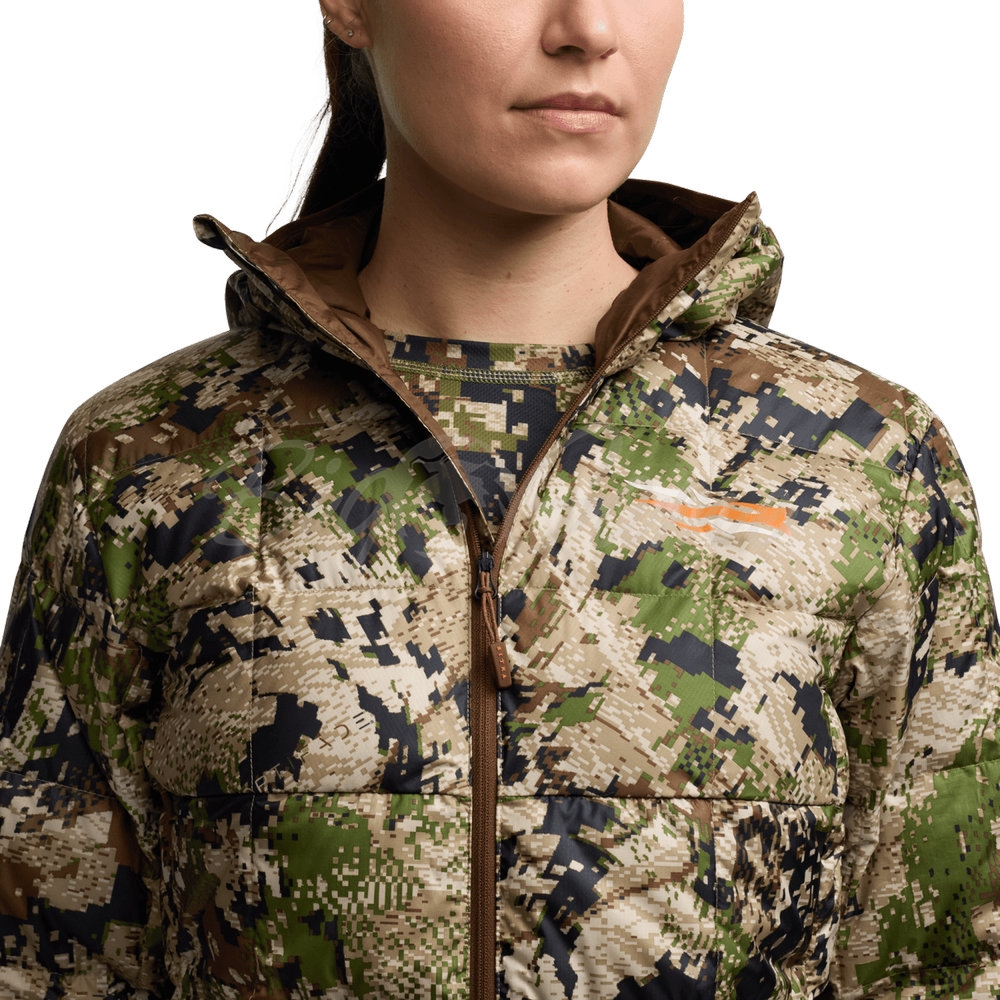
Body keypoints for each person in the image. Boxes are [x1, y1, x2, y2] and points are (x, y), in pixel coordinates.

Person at [1, 1, 998, 998]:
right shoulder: (152, 459)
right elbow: (48, 960)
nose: (588, 27)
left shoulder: (858, 457)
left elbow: (943, 963)